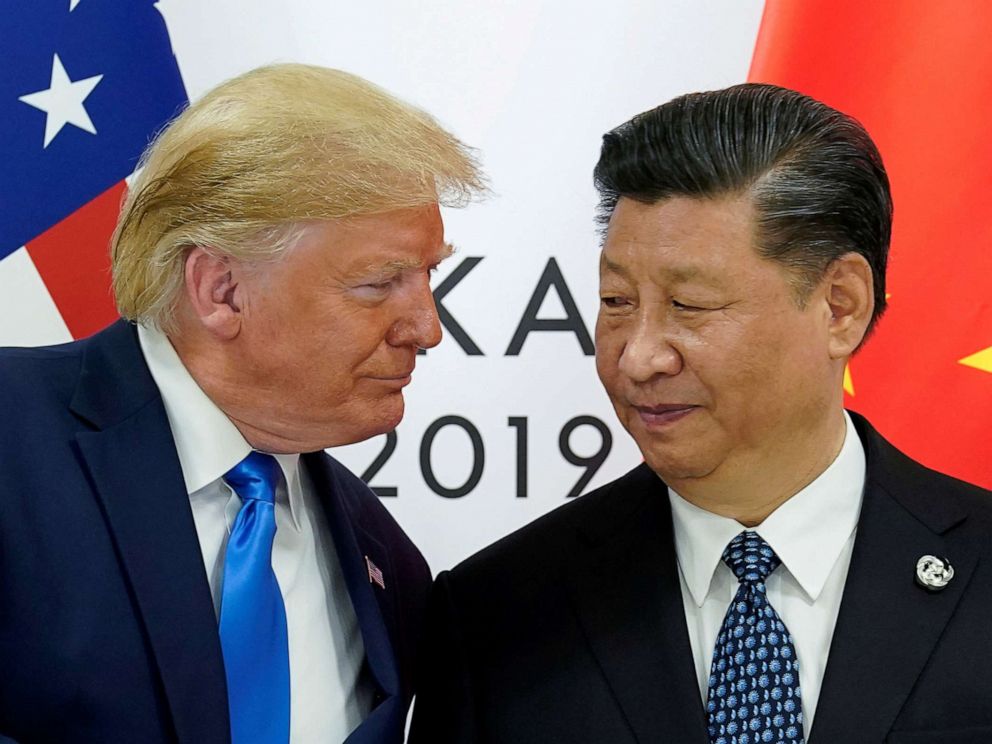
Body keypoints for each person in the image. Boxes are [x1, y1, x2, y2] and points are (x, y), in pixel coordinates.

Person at [410, 83, 992, 743]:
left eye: (689, 305)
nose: (638, 358)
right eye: (617, 300)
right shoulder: (497, 615)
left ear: (840, 306)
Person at [0, 64, 483, 744]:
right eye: (379, 283)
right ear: (220, 289)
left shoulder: (389, 560)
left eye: (428, 276)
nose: (427, 328)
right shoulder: (11, 441)